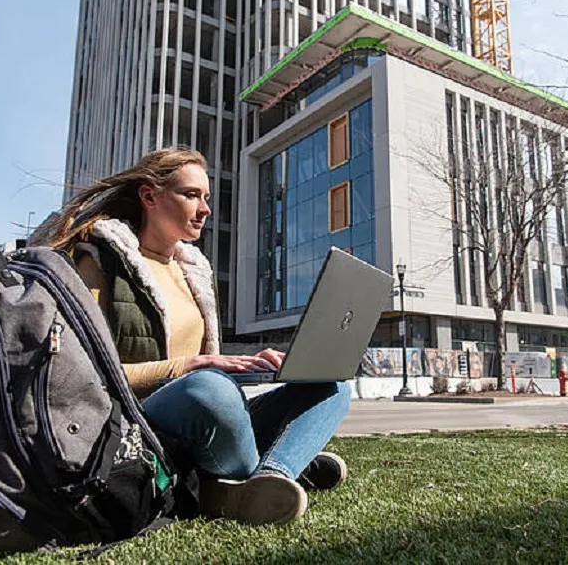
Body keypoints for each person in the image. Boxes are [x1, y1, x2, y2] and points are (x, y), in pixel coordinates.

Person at [48, 148, 351, 526]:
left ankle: (270, 475)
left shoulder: (194, 272)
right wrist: (190, 366)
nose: (205, 208)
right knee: (209, 389)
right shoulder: (99, 262)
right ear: (149, 196)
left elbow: (209, 365)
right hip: (140, 421)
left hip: (206, 409)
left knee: (331, 385)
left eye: (205, 197)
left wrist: (262, 365)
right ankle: (281, 464)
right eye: (191, 195)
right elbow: (82, 377)